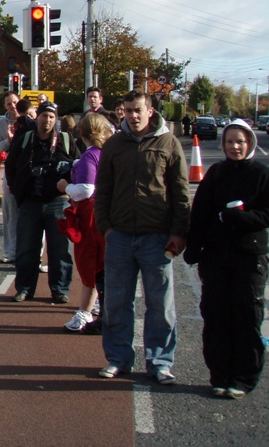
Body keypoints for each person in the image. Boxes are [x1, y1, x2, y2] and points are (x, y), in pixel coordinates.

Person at [95, 90, 190, 384]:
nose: (133, 116)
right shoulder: (114, 145)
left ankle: (160, 361)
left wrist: (178, 232)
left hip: (156, 238)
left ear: (150, 111)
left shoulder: (169, 143)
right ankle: (118, 358)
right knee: (116, 302)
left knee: (160, 304)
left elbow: (180, 193)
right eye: (128, 110)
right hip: (120, 236)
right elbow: (103, 190)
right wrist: (106, 227)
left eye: (138, 110)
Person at [185, 120, 269, 398]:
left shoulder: (261, 173)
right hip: (217, 256)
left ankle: (243, 378)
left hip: (250, 256)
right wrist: (193, 248)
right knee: (216, 315)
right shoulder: (216, 173)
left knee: (246, 315)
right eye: (230, 141)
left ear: (249, 144)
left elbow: (266, 214)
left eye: (240, 142)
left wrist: (240, 217)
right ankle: (219, 375)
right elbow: (201, 214)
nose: (235, 146)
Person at [5, 101, 78, 303]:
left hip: (58, 201)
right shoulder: (25, 139)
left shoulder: (65, 140)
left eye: (52, 117)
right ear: (37, 117)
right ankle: (25, 288)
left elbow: (78, 166)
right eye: (44, 116)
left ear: (56, 120)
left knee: (60, 250)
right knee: (26, 248)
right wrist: (17, 190)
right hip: (30, 202)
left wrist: (70, 189)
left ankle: (60, 290)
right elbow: (10, 166)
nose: (47, 120)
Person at [57, 113, 113, 333]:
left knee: (88, 261)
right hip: (104, 212)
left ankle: (85, 311)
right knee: (101, 262)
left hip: (90, 214)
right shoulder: (107, 153)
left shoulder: (91, 156)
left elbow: (86, 189)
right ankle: (95, 305)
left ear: (82, 133)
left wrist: (65, 187)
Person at [0, 91, 20, 263]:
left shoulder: (30, 118)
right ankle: (10, 252)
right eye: (9, 104)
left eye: (15, 102)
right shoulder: (2, 123)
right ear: (5, 106)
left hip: (30, 171)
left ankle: (33, 255)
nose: (13, 106)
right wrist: (8, 142)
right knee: (10, 213)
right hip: (12, 170)